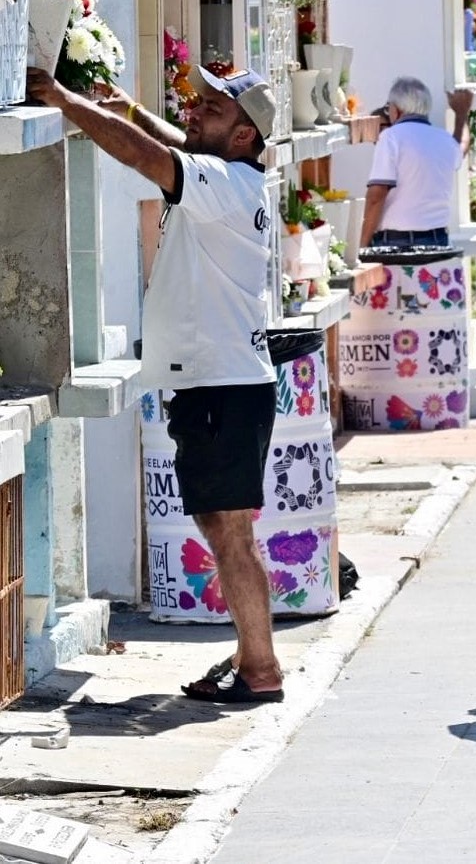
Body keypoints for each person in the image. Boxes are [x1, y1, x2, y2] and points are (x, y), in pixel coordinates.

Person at [28, 65, 285, 705]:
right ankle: (253, 655)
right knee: (223, 526)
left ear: (244, 134)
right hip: (217, 384)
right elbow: (174, 142)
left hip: (222, 386)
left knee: (229, 530)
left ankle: (260, 669)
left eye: (211, 111)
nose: (194, 113)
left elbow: (150, 158)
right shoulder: (234, 172)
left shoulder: (222, 181)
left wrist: (63, 100)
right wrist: (137, 108)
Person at [360, 78, 472, 248]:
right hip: (439, 241)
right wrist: (462, 114)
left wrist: (361, 245)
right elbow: (462, 146)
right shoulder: (444, 139)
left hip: (397, 241)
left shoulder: (391, 137)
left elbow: (377, 195)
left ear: (396, 109)